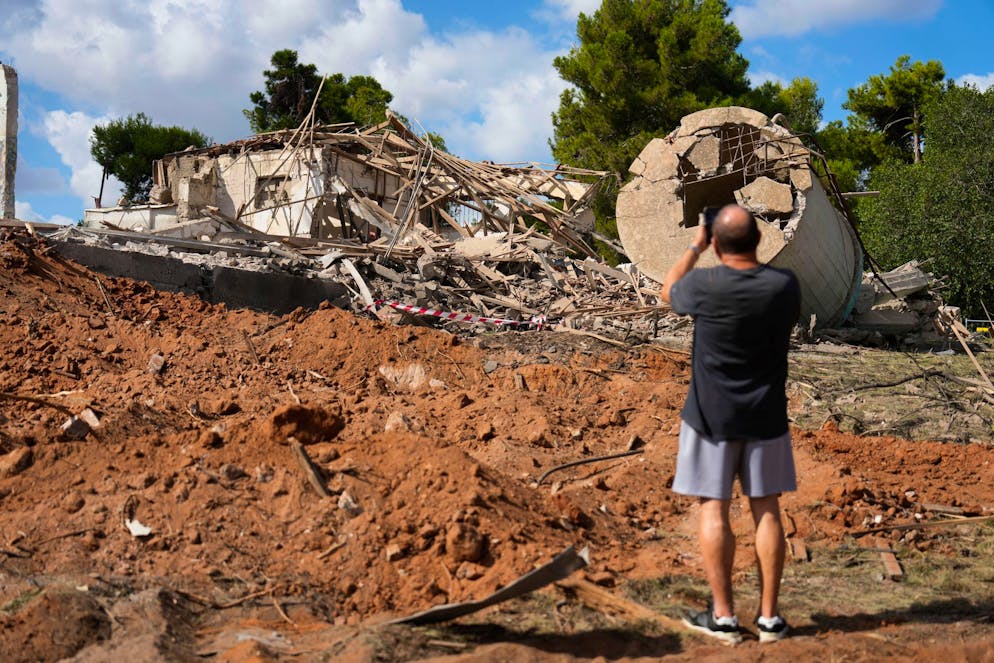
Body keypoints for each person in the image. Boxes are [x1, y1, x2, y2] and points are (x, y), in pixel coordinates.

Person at [660, 204, 800, 645]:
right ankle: (770, 620)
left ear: (716, 242)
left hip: (709, 418)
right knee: (766, 510)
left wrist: (695, 246)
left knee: (713, 508)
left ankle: (722, 617)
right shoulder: (784, 286)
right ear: (759, 241)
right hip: (767, 416)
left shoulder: (702, 283)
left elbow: (669, 291)